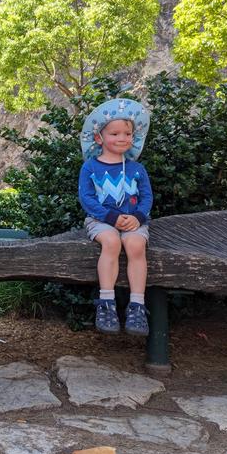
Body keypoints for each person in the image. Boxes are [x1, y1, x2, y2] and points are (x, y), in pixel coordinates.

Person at [78, 97, 152, 336]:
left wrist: (138, 218)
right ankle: (107, 303)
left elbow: (146, 197)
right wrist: (109, 217)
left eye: (127, 134)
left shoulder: (136, 169)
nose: (122, 138)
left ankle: (137, 305)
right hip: (100, 221)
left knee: (136, 244)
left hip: (134, 221)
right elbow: (87, 199)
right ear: (99, 138)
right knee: (111, 241)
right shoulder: (90, 167)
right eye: (115, 134)